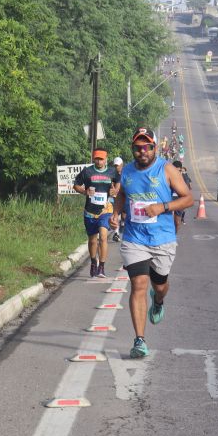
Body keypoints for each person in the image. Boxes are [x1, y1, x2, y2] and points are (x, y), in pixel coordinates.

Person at [110, 127, 193, 358]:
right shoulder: (127, 171)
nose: (143, 151)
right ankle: (139, 340)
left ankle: (158, 300)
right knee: (138, 284)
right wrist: (115, 213)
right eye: (138, 148)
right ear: (133, 149)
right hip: (134, 238)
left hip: (162, 239)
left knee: (159, 286)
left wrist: (162, 207)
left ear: (155, 148)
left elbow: (188, 199)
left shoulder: (166, 169)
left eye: (147, 147)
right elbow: (122, 194)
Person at [74, 149, 119, 278]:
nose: (99, 161)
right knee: (93, 240)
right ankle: (94, 262)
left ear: (106, 159)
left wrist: (115, 190)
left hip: (106, 209)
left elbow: (118, 182)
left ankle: (102, 267)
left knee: (103, 236)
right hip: (90, 211)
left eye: (101, 159)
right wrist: (85, 192)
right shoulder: (87, 171)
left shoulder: (112, 171)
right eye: (97, 159)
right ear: (94, 159)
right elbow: (76, 185)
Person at [171, 161, 193, 232]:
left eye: (179, 171)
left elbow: (187, 190)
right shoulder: (167, 176)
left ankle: (174, 235)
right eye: (175, 171)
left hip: (179, 200)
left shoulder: (184, 177)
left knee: (177, 223)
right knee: (167, 221)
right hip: (169, 199)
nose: (177, 173)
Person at [110, 157, 125, 243]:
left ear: (122, 165)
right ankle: (116, 233)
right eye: (115, 165)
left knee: (124, 216)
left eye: (118, 165)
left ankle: (122, 224)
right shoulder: (111, 175)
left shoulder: (126, 173)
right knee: (116, 214)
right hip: (115, 198)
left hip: (125, 196)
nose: (116, 167)